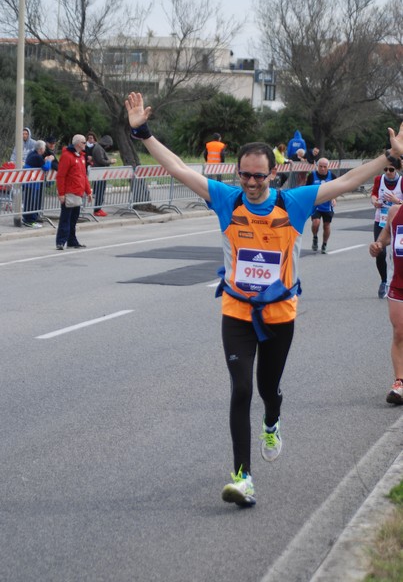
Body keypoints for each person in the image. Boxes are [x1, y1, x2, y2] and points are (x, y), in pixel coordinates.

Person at [125, 91, 403, 507]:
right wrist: (143, 133)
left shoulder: (293, 203)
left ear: (275, 174)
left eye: (260, 176)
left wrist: (389, 159)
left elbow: (346, 181)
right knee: (240, 390)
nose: (252, 183)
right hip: (236, 310)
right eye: (245, 176)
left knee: (267, 389)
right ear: (237, 175)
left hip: (279, 313)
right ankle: (242, 477)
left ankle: (273, 420)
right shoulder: (226, 199)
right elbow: (179, 167)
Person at [369, 204, 403, 405]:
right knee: (399, 332)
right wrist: (378, 246)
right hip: (398, 283)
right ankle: (399, 382)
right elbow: (385, 237)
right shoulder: (395, 212)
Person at [370, 165, 403, 298]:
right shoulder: (379, 179)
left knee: (398, 251)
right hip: (381, 219)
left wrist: (397, 201)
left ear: (397, 170)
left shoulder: (401, 181)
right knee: (380, 251)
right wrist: (374, 201)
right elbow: (374, 194)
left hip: (398, 220)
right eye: (386, 169)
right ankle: (384, 281)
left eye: (391, 169)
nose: (388, 172)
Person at [55, 134, 92, 250]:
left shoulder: (81, 157)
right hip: (69, 192)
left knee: (73, 219)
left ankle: (72, 240)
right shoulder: (67, 156)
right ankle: (61, 241)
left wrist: (88, 190)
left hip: (78, 192)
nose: (85, 144)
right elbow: (61, 176)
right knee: (65, 218)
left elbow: (83, 176)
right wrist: (61, 193)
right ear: (77, 144)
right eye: (84, 142)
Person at [306, 158, 337, 254]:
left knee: (326, 225)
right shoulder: (312, 176)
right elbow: (307, 189)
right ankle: (315, 237)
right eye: (321, 166)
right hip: (316, 204)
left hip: (327, 205)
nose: (323, 169)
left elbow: (337, 189)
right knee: (316, 222)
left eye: (325, 167)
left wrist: (334, 198)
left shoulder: (332, 176)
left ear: (328, 167)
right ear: (317, 166)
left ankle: (324, 244)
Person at [23, 140, 54, 227]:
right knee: (32, 201)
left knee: (30, 201)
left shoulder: (32, 154)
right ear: (40, 149)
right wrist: (49, 160)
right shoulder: (37, 156)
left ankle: (30, 218)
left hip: (30, 182)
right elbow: (46, 168)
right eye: (44, 149)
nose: (44, 150)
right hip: (33, 182)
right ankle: (30, 220)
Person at [91, 135, 117, 216]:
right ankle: (97, 210)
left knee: (100, 192)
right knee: (100, 192)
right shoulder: (98, 148)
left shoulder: (99, 148)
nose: (108, 147)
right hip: (100, 174)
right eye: (108, 145)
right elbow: (101, 160)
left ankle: (98, 209)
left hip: (101, 173)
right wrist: (110, 162)